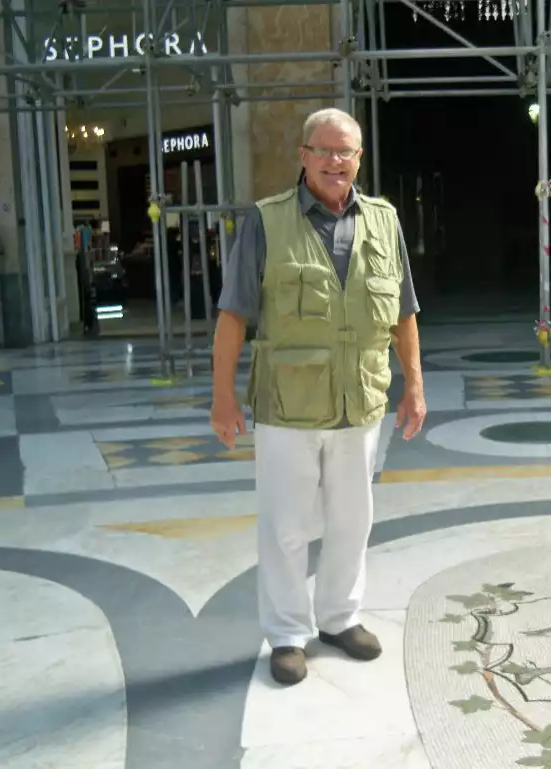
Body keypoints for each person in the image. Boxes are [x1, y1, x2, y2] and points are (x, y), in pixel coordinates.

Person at [210, 107, 426, 686]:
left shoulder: (383, 221)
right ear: (303, 155)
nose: (336, 161)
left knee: (353, 519)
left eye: (345, 151)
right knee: (285, 527)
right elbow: (233, 315)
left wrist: (414, 385)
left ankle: (340, 618)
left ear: (359, 158)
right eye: (324, 150)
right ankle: (286, 634)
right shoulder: (266, 221)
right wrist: (223, 397)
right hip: (288, 406)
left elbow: (404, 311)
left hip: (360, 402)